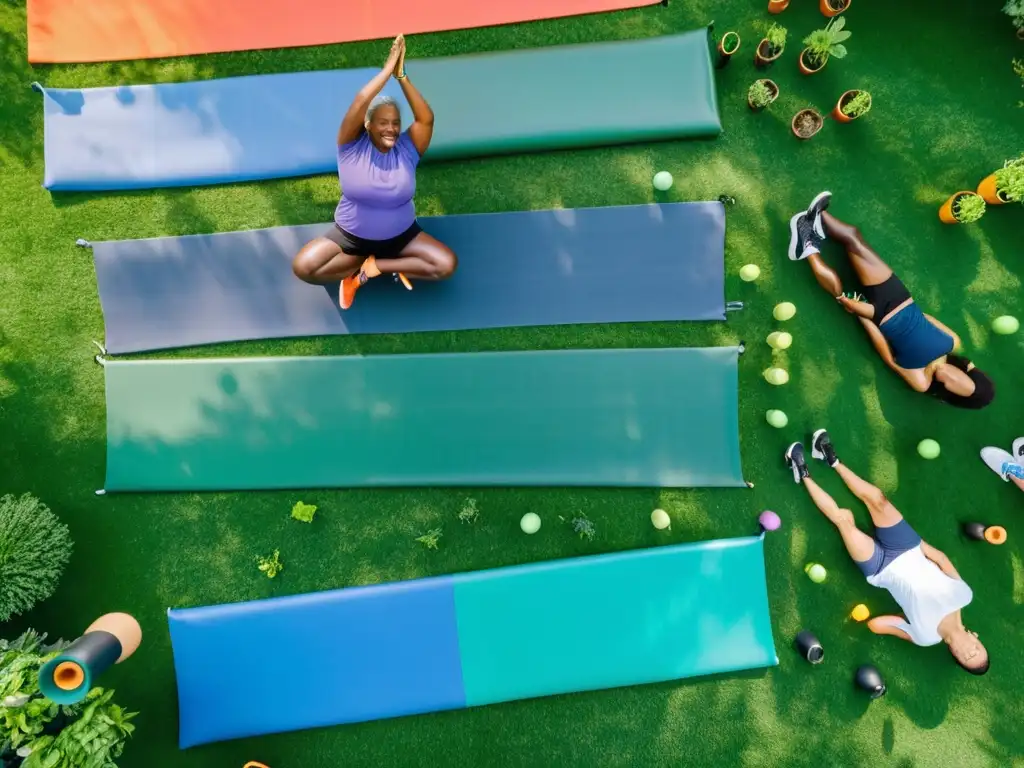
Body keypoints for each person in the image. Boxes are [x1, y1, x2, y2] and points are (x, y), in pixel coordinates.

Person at [785, 429, 989, 675]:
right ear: (976, 637)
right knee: (878, 499)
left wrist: (905, 617)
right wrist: (917, 543)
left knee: (842, 521)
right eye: (977, 650)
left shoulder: (924, 636)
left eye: (967, 658)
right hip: (908, 546)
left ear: (955, 655)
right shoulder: (964, 596)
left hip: (880, 568)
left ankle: (801, 471)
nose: (970, 651)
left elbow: (876, 625)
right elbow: (942, 560)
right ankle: (831, 459)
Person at [292, 34, 457, 309]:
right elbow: (359, 102)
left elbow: (426, 118)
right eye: (383, 122)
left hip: (402, 237)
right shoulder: (350, 146)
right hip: (350, 238)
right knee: (304, 267)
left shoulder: (408, 148)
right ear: (368, 125)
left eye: (395, 123)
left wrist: (401, 75)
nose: (391, 128)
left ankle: (374, 268)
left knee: (446, 265)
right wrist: (386, 71)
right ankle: (356, 269)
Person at [787, 192, 995, 409]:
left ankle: (807, 245)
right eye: (959, 379)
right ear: (966, 373)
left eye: (953, 386)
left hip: (879, 315)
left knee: (840, 294)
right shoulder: (953, 343)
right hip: (899, 297)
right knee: (853, 238)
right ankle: (817, 215)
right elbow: (927, 317)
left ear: (950, 394)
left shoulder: (921, 382)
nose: (950, 378)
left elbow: (887, 356)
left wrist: (862, 316)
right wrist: (905, 307)